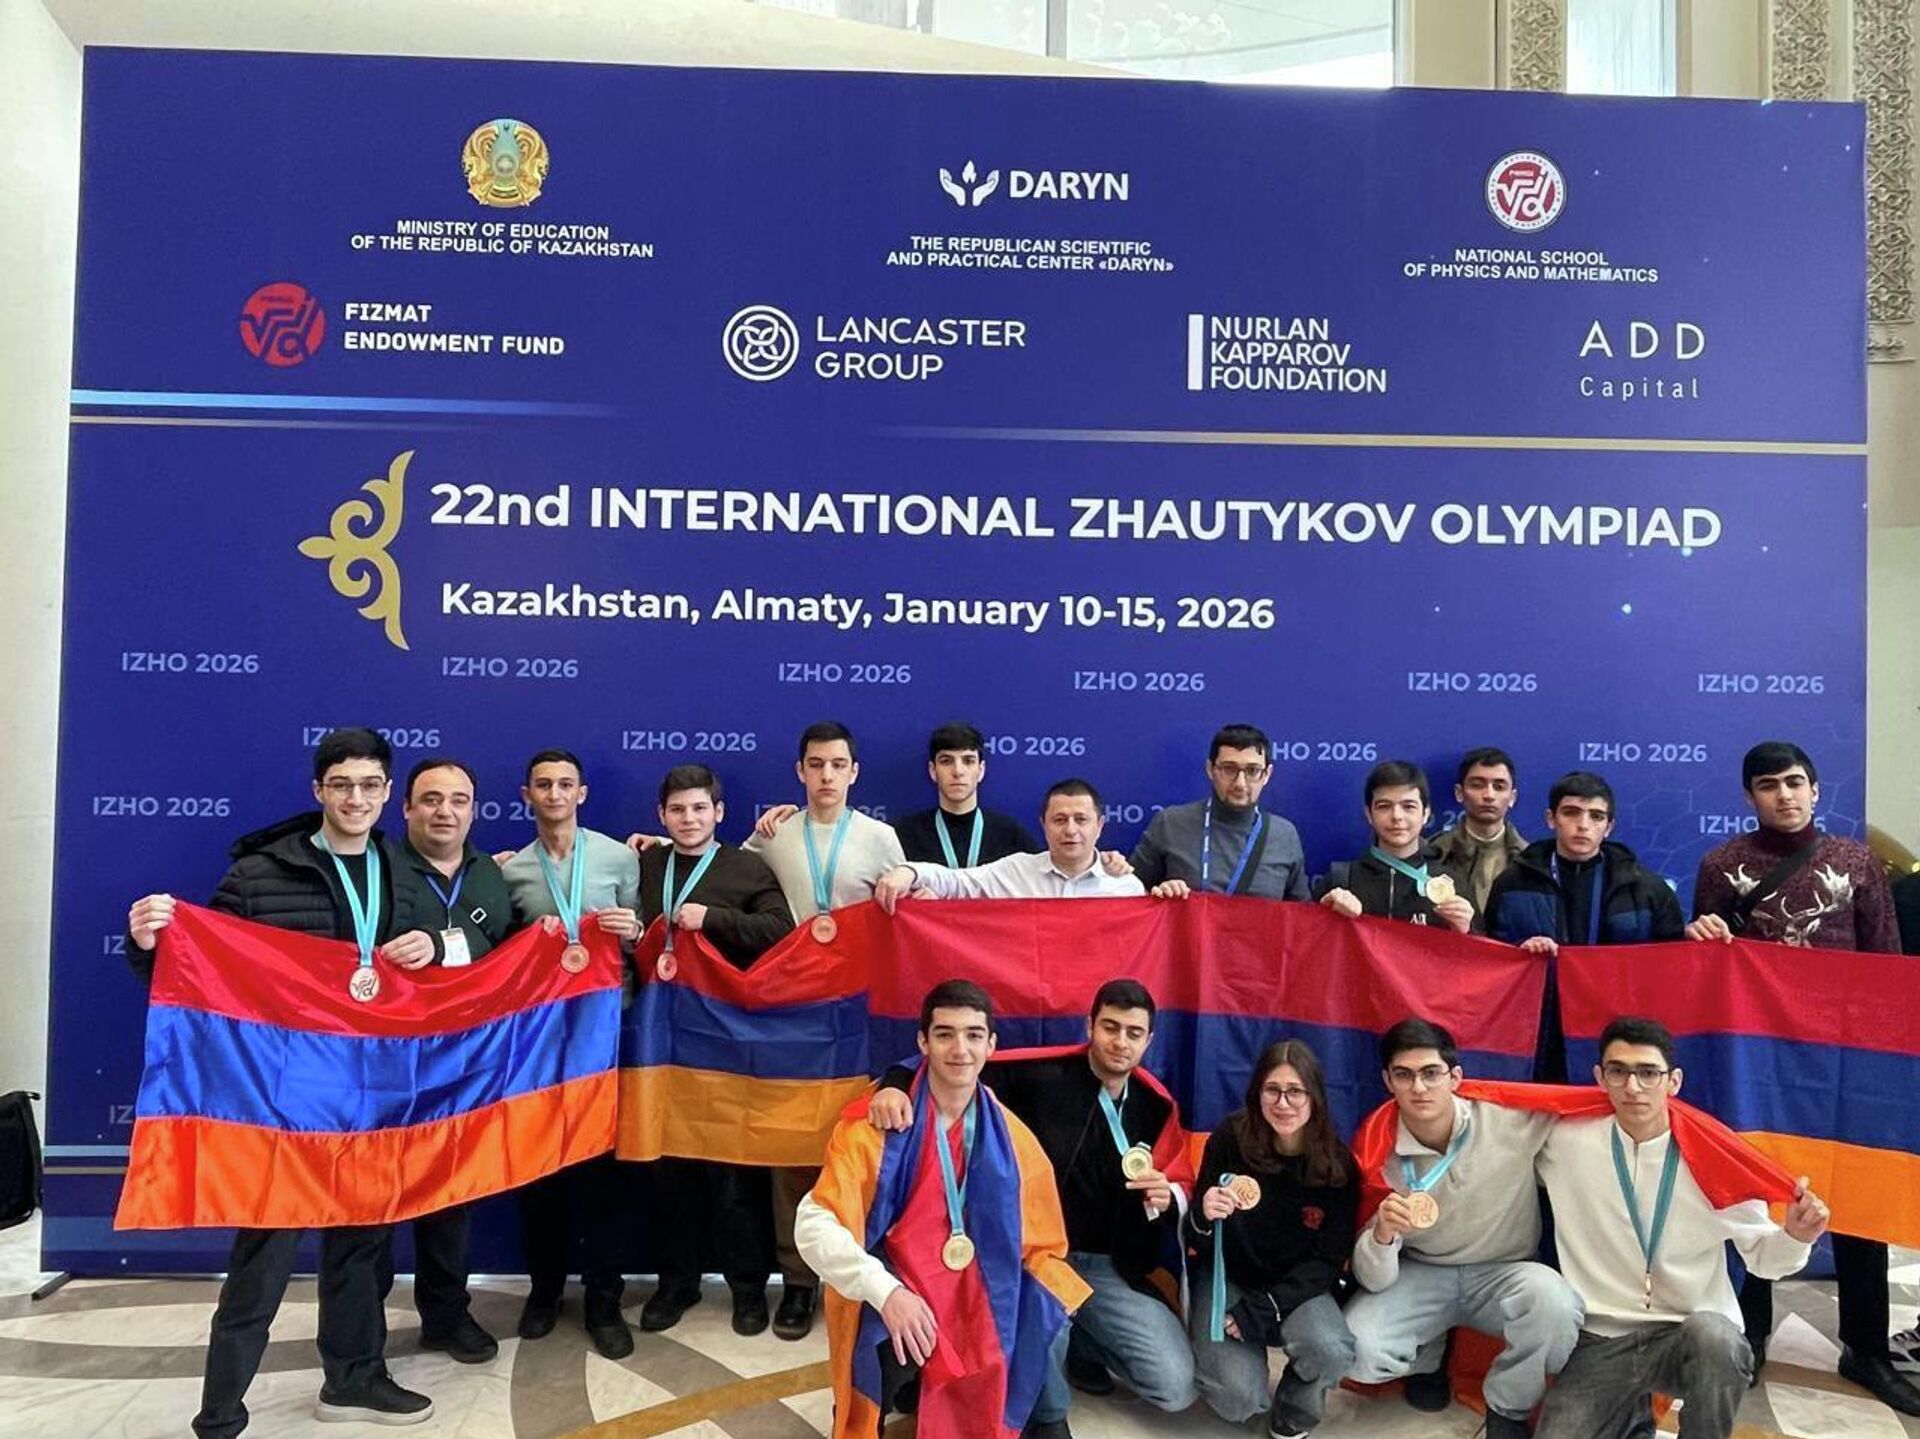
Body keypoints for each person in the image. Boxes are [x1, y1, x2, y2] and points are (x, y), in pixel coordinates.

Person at [124, 728, 441, 1434]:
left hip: (373, 1094)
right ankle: (219, 1414)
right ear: (318, 790)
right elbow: (196, 973)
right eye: (342, 785)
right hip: (283, 1099)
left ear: (388, 793)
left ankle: (353, 1381)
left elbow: (438, 978)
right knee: (263, 1258)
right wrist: (147, 943)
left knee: (361, 1249)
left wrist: (433, 946)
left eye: (369, 785)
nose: (355, 798)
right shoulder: (259, 873)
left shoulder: (406, 870)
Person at [1684, 741, 1919, 1412]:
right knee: (1757, 1195)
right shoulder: (1721, 865)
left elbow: (1887, 966)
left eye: (1794, 782)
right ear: (1749, 795)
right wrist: (1700, 935)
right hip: (1760, 1060)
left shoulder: (1858, 862)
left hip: (1847, 1060)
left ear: (1815, 789)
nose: (1783, 794)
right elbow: (1707, 968)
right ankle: (1751, 1335)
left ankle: (1865, 1348)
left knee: (1860, 1195)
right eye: (1768, 784)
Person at [866, 980, 1196, 1425]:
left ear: (1149, 1040)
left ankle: (1084, 1343)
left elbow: (1180, 1180)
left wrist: (1168, 1195)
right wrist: (894, 1083)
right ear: (1090, 1027)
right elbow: (956, 1063)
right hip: (1032, 1256)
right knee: (1044, 1342)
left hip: (1107, 1267)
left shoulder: (1155, 1104)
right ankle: (1048, 1412)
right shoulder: (1040, 1075)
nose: (1120, 1042)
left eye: (1133, 1033)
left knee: (1175, 1386)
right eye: (1110, 1027)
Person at [795, 980, 1090, 1439]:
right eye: (945, 1034)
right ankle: (877, 1401)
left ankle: (1043, 1415)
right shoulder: (875, 1127)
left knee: (1047, 1305)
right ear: (923, 1042)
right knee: (880, 1346)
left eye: (974, 1035)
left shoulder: (1015, 1139)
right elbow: (813, 1225)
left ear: (991, 1045)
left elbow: (1044, 1241)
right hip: (902, 1281)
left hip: (980, 1284)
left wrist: (1046, 1295)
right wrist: (886, 1291)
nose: (960, 1049)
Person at [1534, 1016, 1829, 1439]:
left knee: (1718, 1340)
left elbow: (1764, 1261)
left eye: (1648, 1073)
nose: (1633, 1087)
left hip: (1687, 1332)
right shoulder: (1564, 1141)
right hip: (1602, 1336)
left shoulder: (1713, 1159)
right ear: (1600, 1077)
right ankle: (1633, 1422)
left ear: (1673, 1082)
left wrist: (1796, 1237)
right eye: (1618, 1071)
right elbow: (1495, 1130)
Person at [746, 721, 907, 1338]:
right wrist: (657, 844)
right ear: (800, 771)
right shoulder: (775, 834)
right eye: (816, 765)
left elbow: (911, 916)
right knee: (792, 1147)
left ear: (854, 772)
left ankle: (861, 1279)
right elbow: (719, 875)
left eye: (838, 765)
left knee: (859, 1141)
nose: (827, 776)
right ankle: (798, 1281)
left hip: (859, 1017)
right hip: (791, 1014)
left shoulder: (880, 838)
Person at [1344, 1019, 1579, 1439]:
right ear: (1387, 1081)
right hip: (1422, 1273)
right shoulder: (1376, 1149)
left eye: (1431, 1073)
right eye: (1404, 1075)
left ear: (1455, 1077)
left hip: (1504, 1272)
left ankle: (1508, 1406)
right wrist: (1382, 1235)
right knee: (1354, 1349)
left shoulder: (1509, 1120)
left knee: (1558, 1311)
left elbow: (1587, 1114)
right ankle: (1430, 1358)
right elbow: (1373, 1279)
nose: (1419, 1087)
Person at [635, 763, 795, 1336]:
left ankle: (747, 1288)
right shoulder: (645, 863)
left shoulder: (746, 868)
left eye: (699, 808)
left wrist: (715, 920)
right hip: (658, 1042)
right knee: (668, 1176)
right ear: (661, 816)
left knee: (732, 1180)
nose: (689, 819)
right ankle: (676, 1284)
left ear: (719, 813)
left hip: (725, 1042)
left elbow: (782, 930)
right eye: (677, 810)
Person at [499, 748, 643, 1358]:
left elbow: (645, 938)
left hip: (608, 1035)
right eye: (543, 785)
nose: (555, 794)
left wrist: (634, 932)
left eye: (565, 784)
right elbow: (502, 956)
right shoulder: (510, 871)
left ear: (581, 794)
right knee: (541, 1172)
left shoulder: (619, 858)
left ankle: (604, 1300)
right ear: (527, 796)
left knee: (605, 1175)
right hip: (541, 1042)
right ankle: (545, 1291)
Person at [379, 756, 517, 1364]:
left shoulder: (490, 873)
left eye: (459, 800)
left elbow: (498, 946)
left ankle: (446, 1316)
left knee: (451, 1194)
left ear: (474, 810)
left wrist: (440, 944)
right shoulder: (377, 868)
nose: (445, 812)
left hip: (463, 1062)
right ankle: (361, 1327)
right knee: (374, 1198)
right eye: (431, 799)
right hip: (387, 1061)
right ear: (406, 806)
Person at [1185, 1039, 1358, 1438]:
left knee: (1331, 1351)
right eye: (1272, 1090)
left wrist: (1267, 1307)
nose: (1283, 1103)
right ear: (1257, 1093)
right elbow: (1198, 1239)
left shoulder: (1337, 1165)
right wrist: (1203, 1215)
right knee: (1236, 1397)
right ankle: (1247, 1393)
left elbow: (1328, 1261)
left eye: (1295, 1091)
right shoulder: (1230, 1138)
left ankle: (1293, 1410)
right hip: (1227, 1275)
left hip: (1296, 1285)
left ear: (1314, 1097)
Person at [1484, 771, 1684, 1082]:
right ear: (1551, 819)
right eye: (1571, 813)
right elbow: (1488, 960)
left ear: (1609, 826)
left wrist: (1697, 938)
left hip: (1621, 1030)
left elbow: (1673, 967)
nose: (1583, 824)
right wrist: (1520, 955)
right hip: (1540, 1030)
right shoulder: (1512, 883)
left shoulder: (1647, 889)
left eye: (1596, 816)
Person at [874, 779, 1145, 907]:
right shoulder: (1016, 871)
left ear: (1100, 825)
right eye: (1060, 820)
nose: (1070, 830)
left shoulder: (1126, 887)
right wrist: (910, 872)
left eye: (1081, 820)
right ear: (1044, 825)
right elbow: (957, 882)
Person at [1127, 724, 1310, 900]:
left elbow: (1303, 914)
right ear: (1211, 769)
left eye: (1252, 771)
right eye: (1229, 769)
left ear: (1267, 775)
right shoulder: (1170, 823)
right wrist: (1158, 895)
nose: (1240, 783)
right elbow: (1129, 895)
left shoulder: (1284, 835)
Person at [1313, 761, 1475, 932]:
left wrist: (1464, 931)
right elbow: (1310, 942)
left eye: (1408, 807)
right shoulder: (1340, 882)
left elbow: (1480, 947)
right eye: (1384, 806)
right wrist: (1328, 915)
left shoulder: (1452, 884)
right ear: (1369, 814)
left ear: (1425, 814)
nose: (1397, 816)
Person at [892, 723, 1041, 867]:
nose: (958, 771)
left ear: (981, 770)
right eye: (946, 761)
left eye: (968, 761)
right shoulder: (903, 835)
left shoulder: (1011, 836)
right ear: (933, 771)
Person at [1427, 748, 1527, 915]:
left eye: (1499, 787)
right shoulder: (1435, 854)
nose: (1489, 795)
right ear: (1459, 793)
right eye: (1477, 785)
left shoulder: (1531, 861)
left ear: (1512, 797)